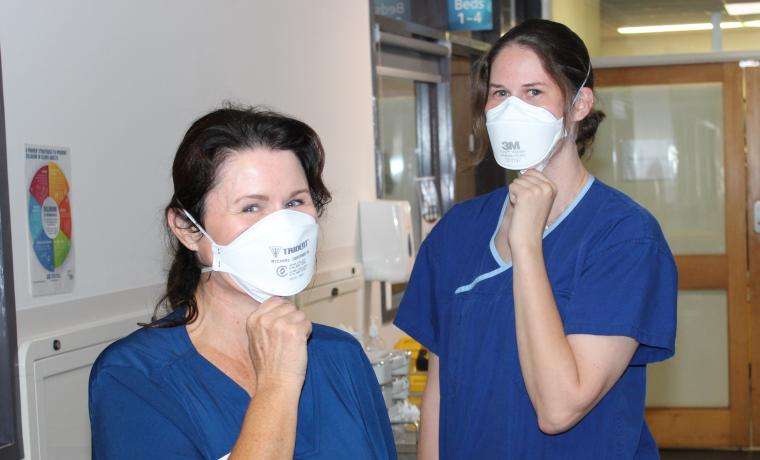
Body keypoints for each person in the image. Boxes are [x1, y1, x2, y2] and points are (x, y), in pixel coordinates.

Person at [394, 19, 677, 459]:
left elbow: (560, 407)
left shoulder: (624, 237)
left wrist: (527, 244)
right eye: (500, 93)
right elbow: (440, 389)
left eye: (534, 92)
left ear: (580, 104)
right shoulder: (458, 232)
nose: (511, 110)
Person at [89, 106, 396, 459]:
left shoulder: (341, 356)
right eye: (251, 207)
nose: (282, 226)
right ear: (188, 229)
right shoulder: (137, 378)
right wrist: (276, 386)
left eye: (296, 201)